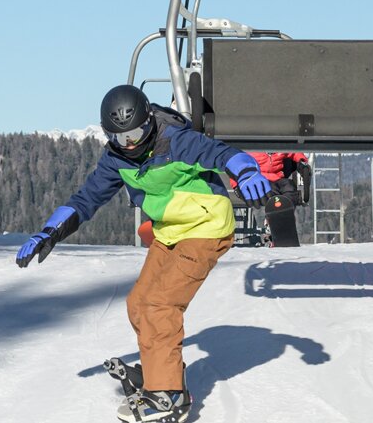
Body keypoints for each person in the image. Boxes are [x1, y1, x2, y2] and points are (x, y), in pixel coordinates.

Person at [16, 85, 273, 423]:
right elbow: (86, 199)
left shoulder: (177, 140)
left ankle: (168, 395)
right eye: (121, 138)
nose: (132, 144)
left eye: (136, 133)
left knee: (160, 306)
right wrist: (50, 231)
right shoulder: (116, 158)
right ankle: (161, 373)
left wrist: (248, 170)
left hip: (206, 227)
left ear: (149, 121)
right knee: (139, 303)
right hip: (170, 232)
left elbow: (223, 153)